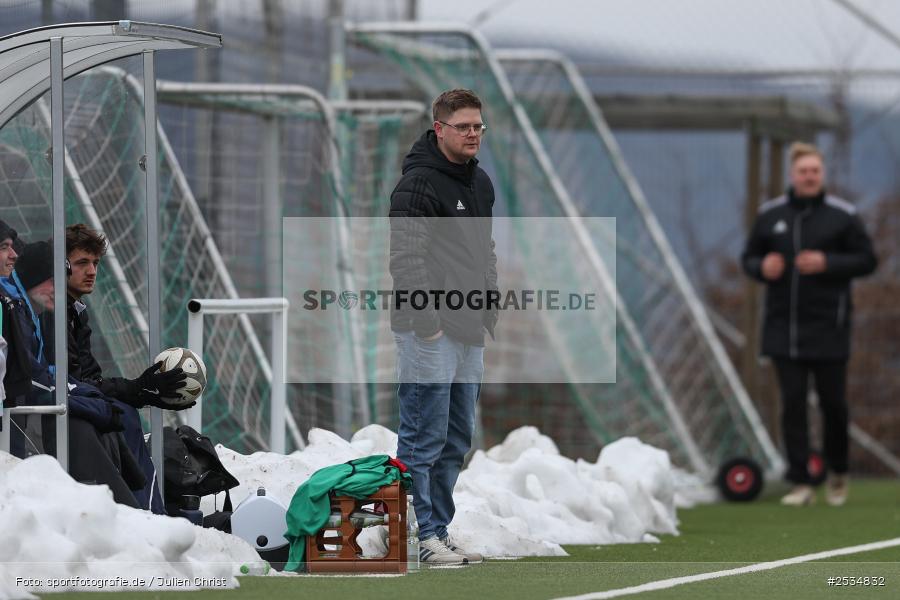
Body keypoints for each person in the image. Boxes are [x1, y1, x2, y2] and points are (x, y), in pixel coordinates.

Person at [388, 89, 498, 565]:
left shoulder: (481, 184)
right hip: (428, 331)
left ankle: (439, 529)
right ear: (440, 129)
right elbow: (405, 260)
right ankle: (417, 536)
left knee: (456, 439)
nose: (473, 134)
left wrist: (488, 305)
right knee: (423, 437)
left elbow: (484, 251)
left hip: (469, 328)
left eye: (479, 126)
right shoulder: (417, 185)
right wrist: (429, 325)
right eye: (464, 126)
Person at [742, 142, 877, 507]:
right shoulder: (770, 215)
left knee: (834, 404)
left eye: (815, 171)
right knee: (793, 404)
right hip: (783, 329)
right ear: (792, 175)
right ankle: (800, 482)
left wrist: (828, 262)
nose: (809, 176)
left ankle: (838, 473)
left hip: (829, 328)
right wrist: (762, 267)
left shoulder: (843, 216)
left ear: (822, 175)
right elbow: (749, 257)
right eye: (803, 171)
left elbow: (868, 260)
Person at [2, 226, 145, 508]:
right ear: (35, 278)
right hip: (20, 422)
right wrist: (95, 401)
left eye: (95, 264)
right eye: (82, 263)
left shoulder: (47, 311)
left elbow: (68, 375)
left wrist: (105, 396)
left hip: (25, 419)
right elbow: (32, 379)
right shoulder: (15, 310)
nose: (91, 271)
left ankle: (143, 512)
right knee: (91, 421)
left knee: (117, 414)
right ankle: (132, 514)